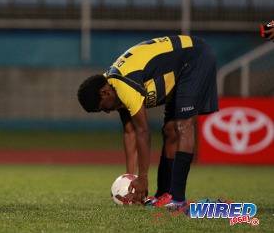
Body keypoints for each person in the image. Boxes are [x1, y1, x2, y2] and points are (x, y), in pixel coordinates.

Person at [77, 35, 218, 207]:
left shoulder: (123, 84)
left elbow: (143, 131)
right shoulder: (112, 87)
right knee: (170, 130)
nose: (107, 111)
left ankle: (177, 198)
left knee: (182, 126)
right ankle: (163, 195)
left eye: (103, 108)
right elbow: (130, 133)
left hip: (195, 57)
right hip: (179, 68)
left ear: (104, 93)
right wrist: (131, 181)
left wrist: (143, 179)